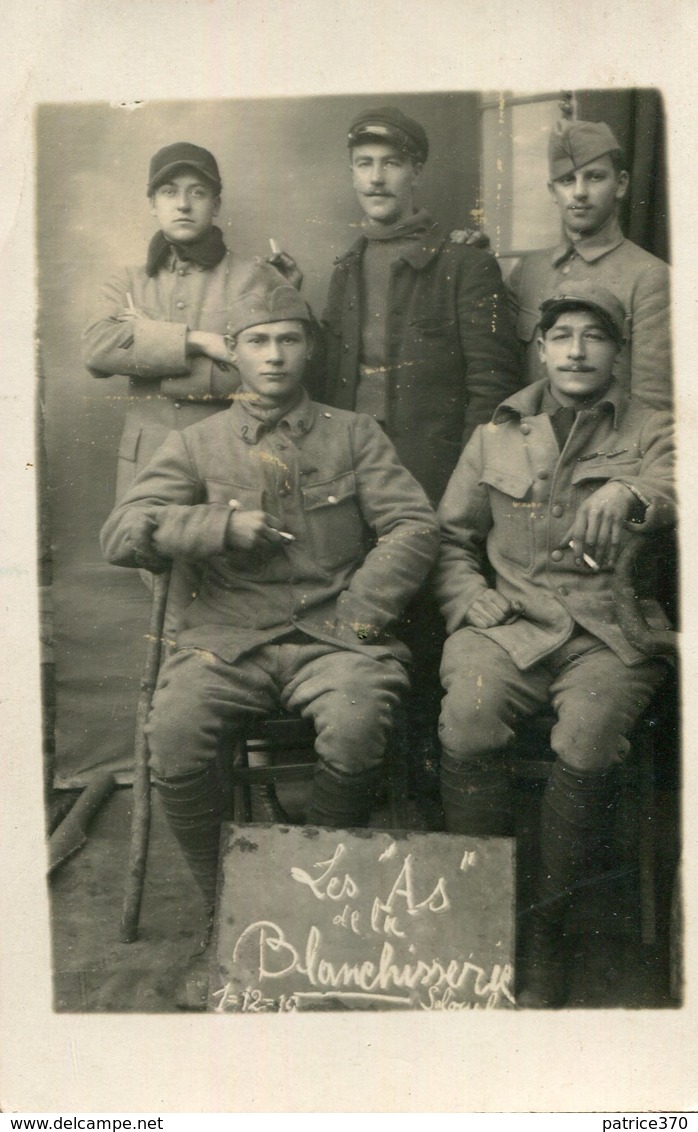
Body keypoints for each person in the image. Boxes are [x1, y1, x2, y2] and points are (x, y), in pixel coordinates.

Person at [100, 285, 439, 941]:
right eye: (257, 341)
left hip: (338, 640)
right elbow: (120, 536)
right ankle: (225, 911)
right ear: (232, 352)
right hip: (226, 642)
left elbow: (415, 529)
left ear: (309, 347)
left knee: (359, 718)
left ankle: (313, 900)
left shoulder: (356, 434)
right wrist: (215, 528)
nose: (275, 355)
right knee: (172, 731)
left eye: (289, 339)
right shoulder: (197, 445)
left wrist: (360, 614)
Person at [273, 107, 523, 813]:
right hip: (357, 487)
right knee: (371, 633)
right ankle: (379, 793)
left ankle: (439, 798)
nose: (376, 177)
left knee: (436, 632)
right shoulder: (347, 267)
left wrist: (462, 493)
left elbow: (491, 392)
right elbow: (331, 385)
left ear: (416, 171)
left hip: (438, 482)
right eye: (363, 164)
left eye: (389, 163)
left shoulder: (466, 263)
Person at [435, 282, 675, 1008]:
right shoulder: (497, 434)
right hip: (508, 623)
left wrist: (632, 494)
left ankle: (546, 932)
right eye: (562, 334)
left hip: (610, 629)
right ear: (541, 348)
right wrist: (463, 594)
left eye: (594, 336)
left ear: (617, 352)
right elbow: (449, 537)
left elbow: (683, 478)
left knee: (591, 736)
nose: (576, 350)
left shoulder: (653, 429)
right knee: (469, 718)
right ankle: (484, 922)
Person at [83, 142, 289, 501]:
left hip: (231, 464)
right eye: (168, 192)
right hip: (147, 465)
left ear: (216, 204)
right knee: (150, 548)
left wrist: (146, 338)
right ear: (152, 204)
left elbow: (266, 379)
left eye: (198, 192)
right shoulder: (127, 281)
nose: (183, 204)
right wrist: (199, 341)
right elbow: (97, 351)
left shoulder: (255, 277)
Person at [507, 118, 672, 409]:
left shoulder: (651, 278)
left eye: (594, 177)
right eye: (567, 180)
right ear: (552, 191)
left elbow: (652, 408)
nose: (579, 192)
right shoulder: (527, 272)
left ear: (620, 184)